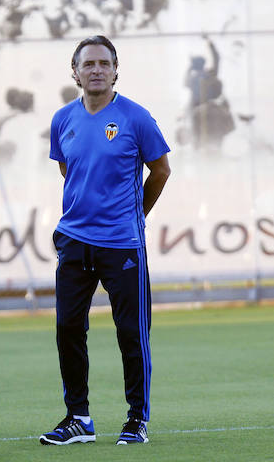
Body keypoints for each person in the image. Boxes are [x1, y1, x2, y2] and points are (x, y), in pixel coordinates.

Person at [40, 35, 170, 446]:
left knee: (131, 332)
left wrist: (134, 215)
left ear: (116, 70)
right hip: (75, 242)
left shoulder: (136, 118)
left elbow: (161, 170)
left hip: (122, 244)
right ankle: (78, 418)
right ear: (74, 72)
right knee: (67, 329)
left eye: (103, 63)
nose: (96, 70)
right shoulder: (63, 119)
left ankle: (136, 419)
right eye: (88, 64)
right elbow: (69, 171)